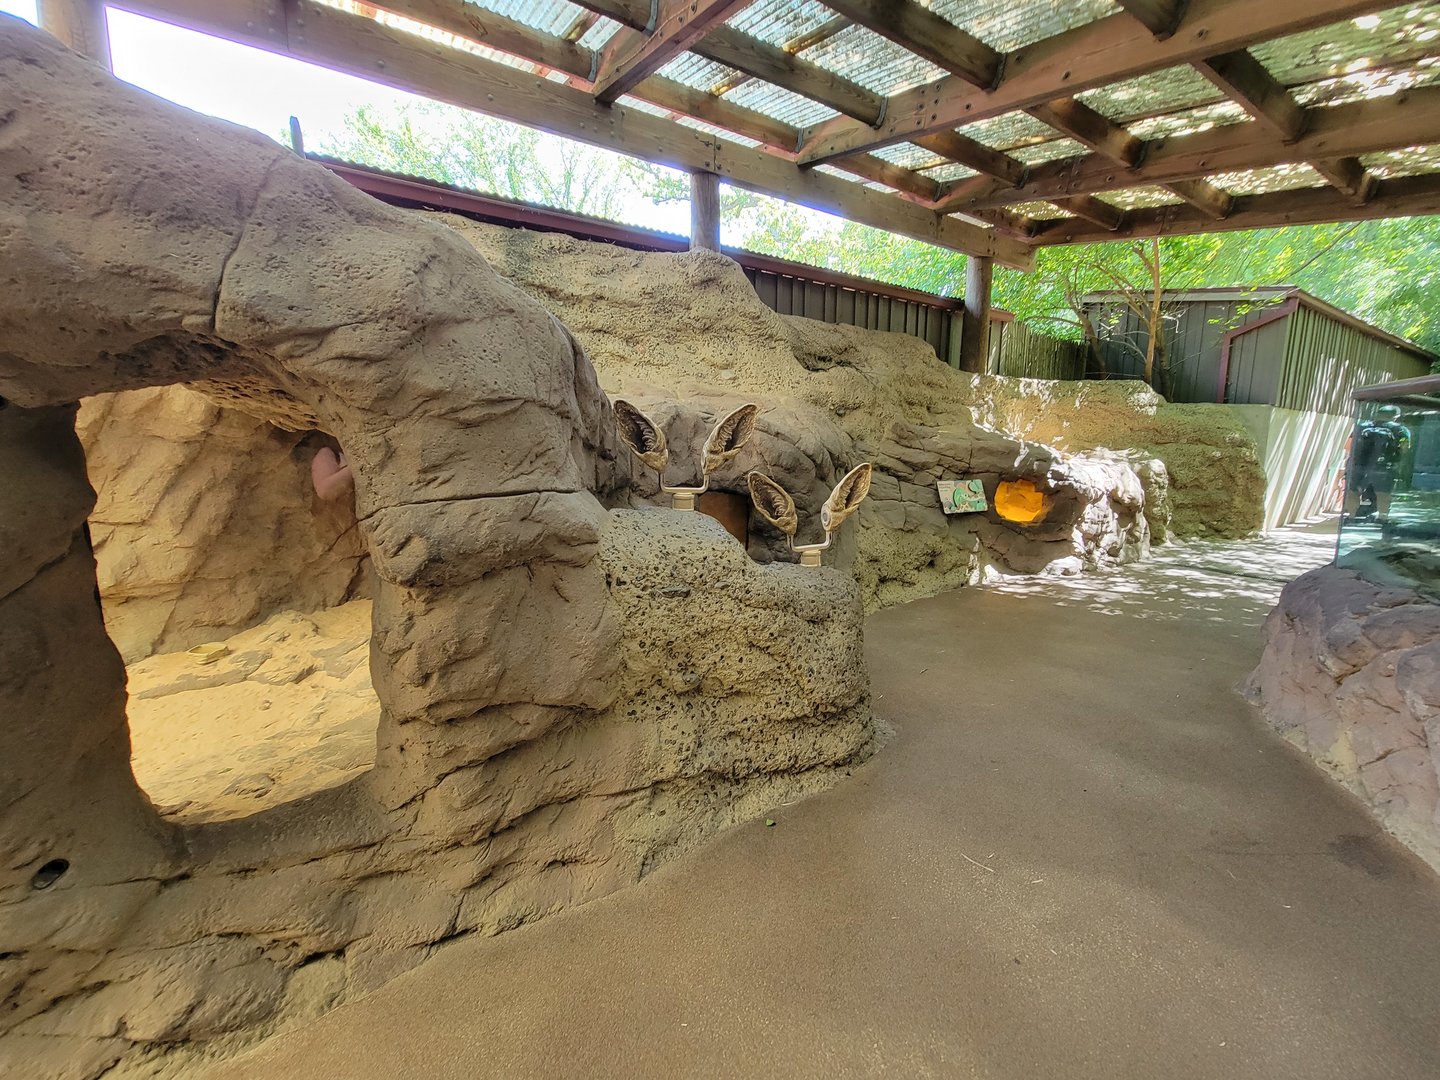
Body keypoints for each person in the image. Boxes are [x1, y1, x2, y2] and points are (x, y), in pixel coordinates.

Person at [1344, 404, 1411, 525]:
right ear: (1395, 416)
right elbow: (1404, 450)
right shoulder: (1401, 430)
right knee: (1383, 493)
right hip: (1384, 467)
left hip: (1358, 466)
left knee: (1354, 491)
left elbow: (1348, 446)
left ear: (1377, 415)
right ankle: (1382, 517)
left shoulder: (1362, 426)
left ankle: (1351, 516)